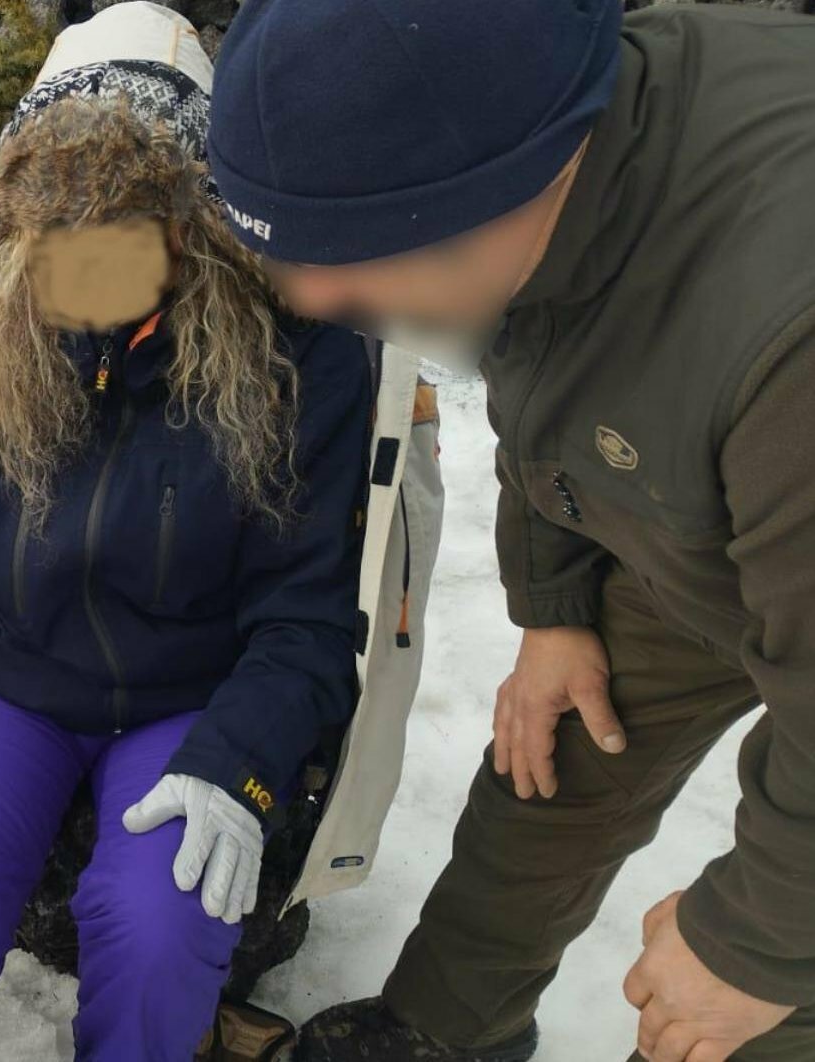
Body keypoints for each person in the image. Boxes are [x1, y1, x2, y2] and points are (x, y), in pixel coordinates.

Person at [204, 2, 815, 1061]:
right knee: (552, 764)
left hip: (777, 475)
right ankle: (443, 1031)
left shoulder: (786, 336)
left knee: (742, 1013)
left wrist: (756, 946)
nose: (311, 297)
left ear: (500, 194)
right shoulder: (552, 133)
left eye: (338, 254)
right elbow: (560, 366)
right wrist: (557, 607)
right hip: (703, 517)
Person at [0, 27, 372, 1059]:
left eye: (125, 227)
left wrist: (236, 767)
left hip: (191, 692)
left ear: (198, 217)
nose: (85, 262)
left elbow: (309, 607)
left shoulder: (301, 349)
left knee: (162, 932)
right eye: (56, 228)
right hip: (5, 675)